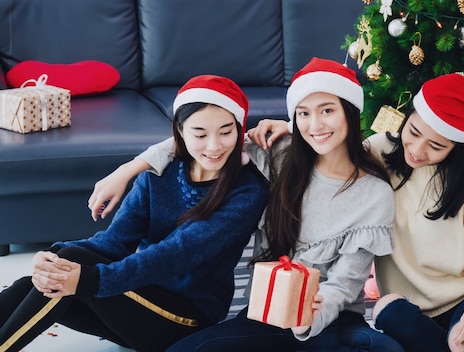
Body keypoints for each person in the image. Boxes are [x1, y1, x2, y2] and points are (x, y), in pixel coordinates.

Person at [86, 58, 404, 351]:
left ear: (350, 110)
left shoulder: (374, 193)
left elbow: (347, 282)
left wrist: (311, 319)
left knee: (384, 348)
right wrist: (127, 170)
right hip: (266, 312)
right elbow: (202, 135)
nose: (315, 125)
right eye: (304, 114)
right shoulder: (280, 154)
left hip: (329, 318)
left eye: (327, 110)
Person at [247, 73, 464, 351]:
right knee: (392, 314)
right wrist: (294, 128)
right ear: (407, 118)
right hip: (406, 313)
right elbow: (330, 146)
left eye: (436, 146)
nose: (417, 149)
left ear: (456, 148)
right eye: (413, 132)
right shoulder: (378, 151)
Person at [0, 75, 269, 352]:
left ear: (239, 131)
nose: (214, 146)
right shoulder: (158, 174)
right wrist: (51, 256)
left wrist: (90, 279)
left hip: (185, 317)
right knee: (46, 276)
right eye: (200, 134)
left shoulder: (247, 191)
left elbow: (175, 254)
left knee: (66, 270)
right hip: (137, 299)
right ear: (180, 131)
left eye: (226, 132)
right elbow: (114, 243)